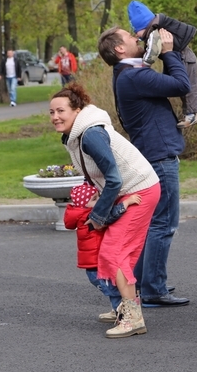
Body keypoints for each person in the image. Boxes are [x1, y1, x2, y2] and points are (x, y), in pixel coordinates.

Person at [49, 83, 160, 338]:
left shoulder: (90, 134)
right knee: (114, 253)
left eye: (61, 111)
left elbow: (115, 179)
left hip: (139, 192)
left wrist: (98, 216)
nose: (55, 117)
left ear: (77, 110)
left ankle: (133, 319)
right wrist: (98, 199)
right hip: (129, 191)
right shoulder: (79, 133)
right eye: (52, 112)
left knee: (115, 252)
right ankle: (125, 306)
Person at [98, 26, 191, 308]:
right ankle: (153, 288)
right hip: (159, 156)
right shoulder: (135, 76)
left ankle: (144, 282)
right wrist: (170, 52)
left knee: (154, 224)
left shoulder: (126, 75)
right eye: (131, 37)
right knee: (163, 223)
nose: (138, 39)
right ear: (119, 49)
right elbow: (181, 85)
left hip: (152, 153)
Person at [63, 183, 141, 324]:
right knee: (116, 290)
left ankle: (117, 310)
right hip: (98, 265)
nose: (99, 201)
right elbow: (110, 216)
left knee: (113, 289)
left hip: (92, 265)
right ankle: (122, 315)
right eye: (94, 199)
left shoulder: (80, 213)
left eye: (98, 197)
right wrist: (127, 202)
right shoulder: (90, 216)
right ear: (83, 204)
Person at [127, 0, 197, 128]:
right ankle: (189, 114)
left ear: (143, 26)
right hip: (176, 58)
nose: (135, 35)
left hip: (184, 58)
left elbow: (152, 51)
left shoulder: (154, 33)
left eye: (136, 31)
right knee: (171, 85)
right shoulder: (157, 27)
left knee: (189, 88)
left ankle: (191, 114)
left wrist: (144, 65)